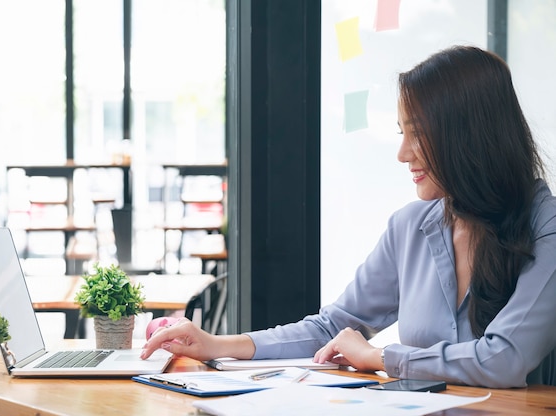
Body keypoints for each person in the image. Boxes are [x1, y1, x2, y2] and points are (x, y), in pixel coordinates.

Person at [141, 45, 556, 388]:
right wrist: (216, 344)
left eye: (419, 133)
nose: (402, 153)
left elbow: (504, 359)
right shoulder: (410, 226)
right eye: (401, 133)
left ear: (468, 134)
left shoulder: (545, 226)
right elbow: (331, 327)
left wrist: (378, 356)